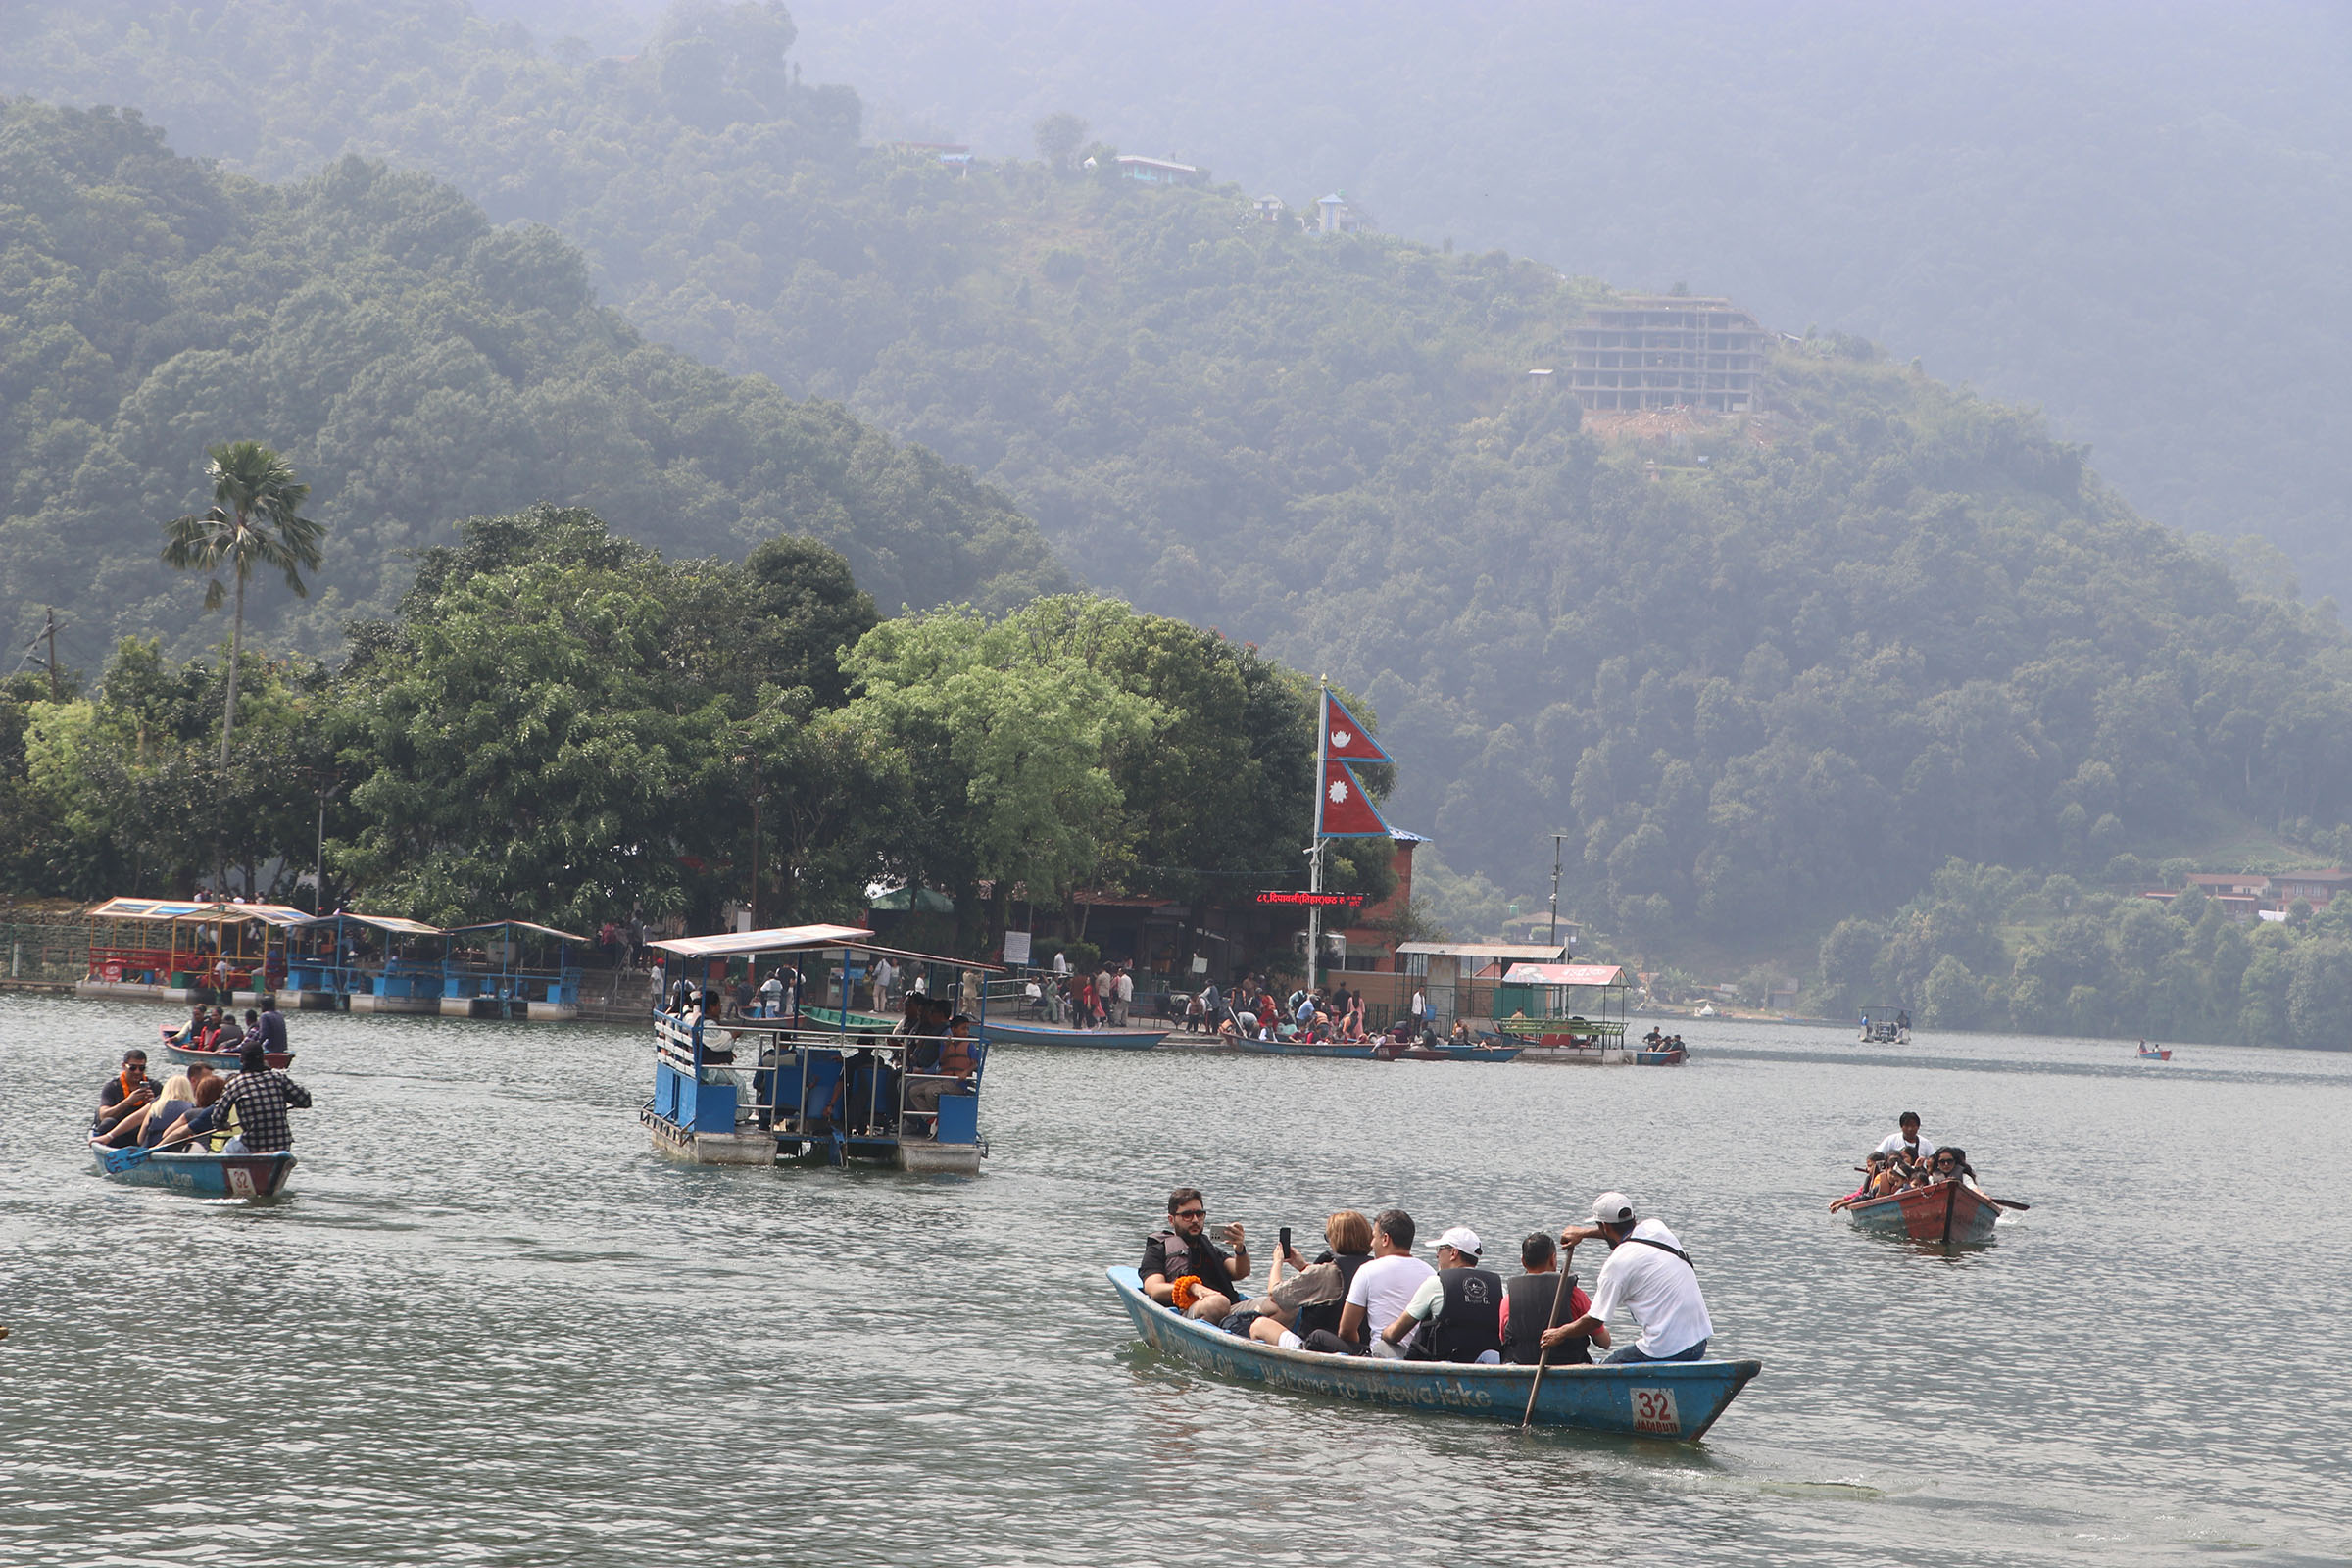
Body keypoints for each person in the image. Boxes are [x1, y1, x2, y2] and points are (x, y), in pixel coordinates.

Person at [1543, 1192, 1714, 1365]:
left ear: (1604, 1226)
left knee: (1603, 1370)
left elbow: (1594, 1320)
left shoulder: (1617, 1264)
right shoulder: (1656, 1227)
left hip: (1666, 1350)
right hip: (1698, 1341)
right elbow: (1621, 1232)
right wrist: (1583, 1234)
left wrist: (1560, 1333)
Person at [1245, 1210, 1376, 1348]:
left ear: (1335, 1239)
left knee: (1260, 1325)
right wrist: (1304, 1267)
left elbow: (1276, 1295)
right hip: (1362, 1347)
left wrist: (1277, 1261)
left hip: (1317, 1347)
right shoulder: (1374, 1269)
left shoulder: (1327, 1272)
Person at [1314, 1208, 1434, 1358]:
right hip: (1419, 1355)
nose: (1371, 1244)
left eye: (1374, 1237)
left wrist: (1361, 1349)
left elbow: (1346, 1330)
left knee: (1317, 1337)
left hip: (1381, 1355)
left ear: (1385, 1239)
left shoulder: (1368, 1271)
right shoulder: (1430, 1272)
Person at [1387, 1226, 1505, 1363]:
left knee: (1383, 1346)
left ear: (1453, 1253)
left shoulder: (1436, 1283)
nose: (1437, 1255)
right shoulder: (1499, 1287)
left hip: (1442, 1368)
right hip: (1484, 1368)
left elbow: (1395, 1334)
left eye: (1440, 1249)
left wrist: (1383, 1334)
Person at [1140, 1187, 1250, 1321]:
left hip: (1229, 1309)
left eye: (1199, 1214)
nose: (1195, 1220)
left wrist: (1240, 1249)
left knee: (1276, 1305)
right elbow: (1155, 1289)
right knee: (1219, 1303)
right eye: (1187, 1216)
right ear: (1171, 1220)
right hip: (1189, 1310)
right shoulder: (1158, 1251)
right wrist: (1192, 1287)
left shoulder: (1209, 1249)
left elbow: (1240, 1272)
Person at [1500, 1231, 1605, 1364]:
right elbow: (1603, 1342)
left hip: (1523, 1368)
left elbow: (1505, 1339)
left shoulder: (1509, 1300)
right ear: (1553, 1258)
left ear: (1523, 1261)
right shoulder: (1574, 1294)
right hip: (1569, 1366)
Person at [214, 1043, 313, 1154]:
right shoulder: (278, 1078)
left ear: (241, 1060)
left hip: (252, 1145)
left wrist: (224, 1125)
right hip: (283, 1145)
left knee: (229, 1147)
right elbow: (306, 1100)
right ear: (263, 1059)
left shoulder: (235, 1084)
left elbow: (217, 1119)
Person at [93, 1050, 156, 1140]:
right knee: (108, 1122)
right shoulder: (112, 1087)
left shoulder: (154, 1086)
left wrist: (153, 1105)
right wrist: (128, 1102)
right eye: (133, 1068)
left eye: (141, 1068)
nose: (137, 1072)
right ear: (124, 1066)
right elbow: (103, 1115)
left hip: (141, 1134)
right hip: (116, 1134)